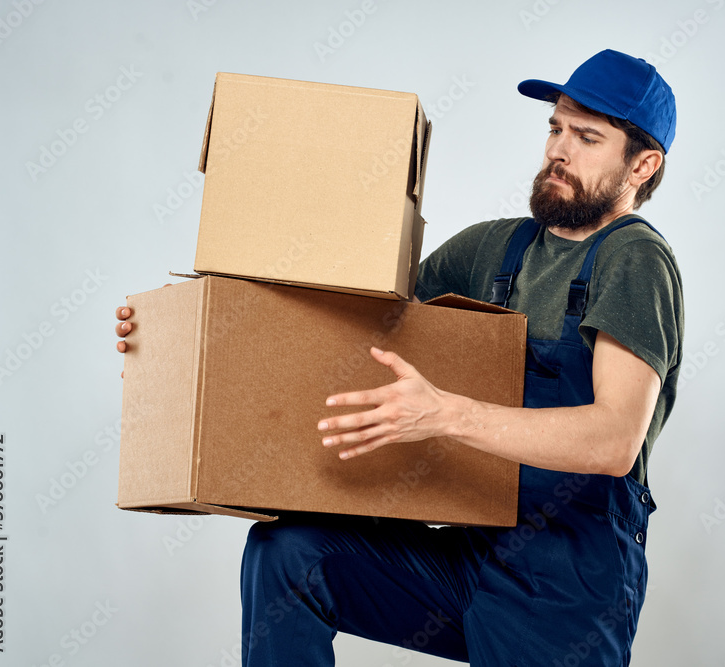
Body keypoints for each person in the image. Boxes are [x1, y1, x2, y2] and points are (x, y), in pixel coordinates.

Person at [115, 49, 683, 666]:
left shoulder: (635, 261)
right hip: (466, 553)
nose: (557, 150)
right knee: (290, 554)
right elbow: (338, 327)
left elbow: (612, 441)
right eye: (555, 128)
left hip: (568, 583)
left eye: (587, 138)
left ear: (642, 164)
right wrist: (178, 344)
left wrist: (446, 415)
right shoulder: (492, 249)